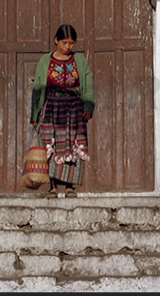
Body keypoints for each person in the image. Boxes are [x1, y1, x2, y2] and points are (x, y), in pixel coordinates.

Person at [31, 24, 95, 198]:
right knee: (51, 147)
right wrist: (35, 115)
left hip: (73, 109)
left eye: (71, 43)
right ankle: (52, 187)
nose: (68, 47)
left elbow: (87, 84)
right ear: (56, 41)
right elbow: (38, 87)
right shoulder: (45, 61)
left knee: (71, 147)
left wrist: (88, 107)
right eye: (64, 42)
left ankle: (69, 187)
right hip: (51, 108)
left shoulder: (79, 60)